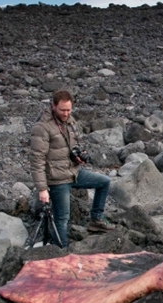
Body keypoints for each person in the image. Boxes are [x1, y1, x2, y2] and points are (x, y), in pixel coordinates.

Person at [30, 89, 113, 247]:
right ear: (53, 106)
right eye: (63, 110)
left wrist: (77, 156)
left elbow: (71, 146)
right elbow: (37, 160)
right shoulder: (42, 128)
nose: (66, 113)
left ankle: (96, 220)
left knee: (104, 182)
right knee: (62, 218)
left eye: (69, 110)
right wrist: (42, 189)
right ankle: (62, 249)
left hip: (73, 172)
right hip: (57, 179)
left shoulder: (69, 121)